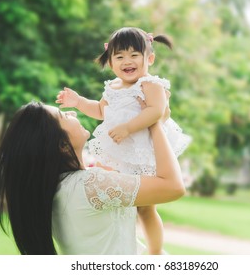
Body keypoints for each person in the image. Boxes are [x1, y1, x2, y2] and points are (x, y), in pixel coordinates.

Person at [55, 27, 191, 254]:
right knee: (117, 197)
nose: (127, 61)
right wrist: (78, 102)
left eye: (134, 55)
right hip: (120, 152)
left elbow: (157, 111)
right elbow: (100, 110)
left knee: (146, 209)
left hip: (143, 151)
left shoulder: (150, 84)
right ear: (110, 62)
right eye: (119, 56)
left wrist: (129, 127)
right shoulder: (112, 88)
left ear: (150, 58)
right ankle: (118, 241)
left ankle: (155, 251)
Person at [0, 102, 185, 255]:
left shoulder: (60, 189)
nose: (73, 113)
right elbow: (174, 187)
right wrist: (154, 123)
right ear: (62, 145)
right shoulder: (92, 185)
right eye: (64, 115)